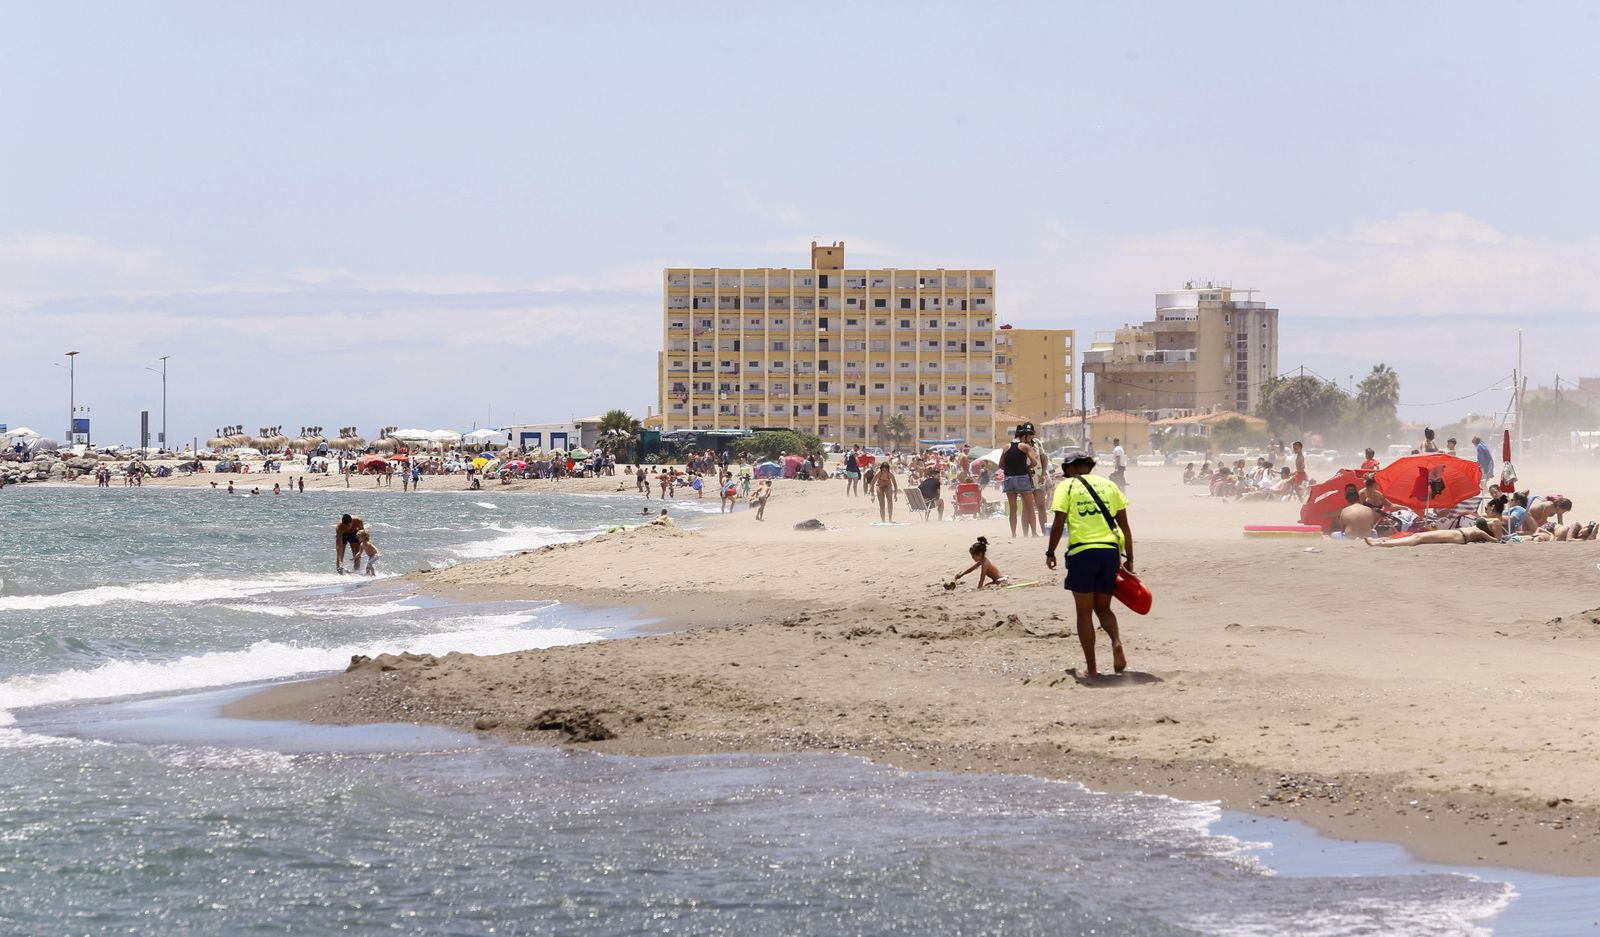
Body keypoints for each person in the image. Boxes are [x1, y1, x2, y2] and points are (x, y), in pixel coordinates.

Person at [1045, 449, 1133, 678]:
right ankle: (1116, 643)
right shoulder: (1109, 485)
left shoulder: (1067, 487)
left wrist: (1050, 552)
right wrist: (1129, 558)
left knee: (1084, 613)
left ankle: (1092, 668)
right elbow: (1124, 524)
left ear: (1071, 468)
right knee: (1103, 607)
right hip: (1110, 553)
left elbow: (1057, 524)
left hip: (1082, 553)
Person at [999, 423, 1039, 537]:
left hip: (1009, 479)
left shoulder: (1006, 447)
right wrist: (1027, 467)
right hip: (1022, 477)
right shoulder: (1025, 447)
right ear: (1023, 437)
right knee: (1029, 507)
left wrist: (1009, 469)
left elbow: (1001, 465)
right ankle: (1034, 533)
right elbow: (1035, 462)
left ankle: (1013, 534)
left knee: (1013, 509)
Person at [874, 458, 899, 522]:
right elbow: (872, 483)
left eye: (886, 470)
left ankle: (890, 519)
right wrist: (872, 494)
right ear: (881, 470)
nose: (884, 472)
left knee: (890, 502)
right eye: (883, 470)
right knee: (882, 504)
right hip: (880, 486)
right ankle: (883, 520)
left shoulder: (890, 475)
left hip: (888, 486)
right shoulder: (879, 473)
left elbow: (895, 485)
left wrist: (895, 495)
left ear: (888, 470)